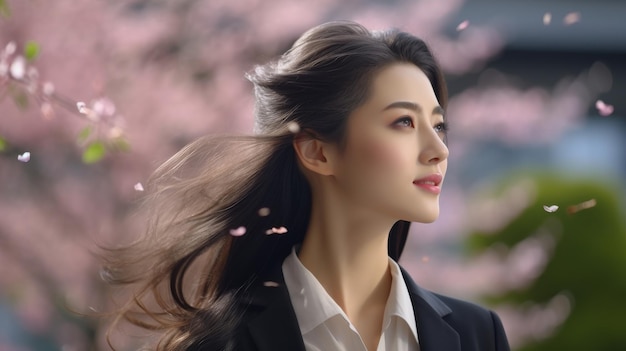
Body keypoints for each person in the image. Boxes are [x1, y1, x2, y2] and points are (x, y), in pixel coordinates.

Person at [102, 21, 510, 351]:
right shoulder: (219, 342)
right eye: (403, 122)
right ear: (317, 152)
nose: (438, 149)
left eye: (439, 126)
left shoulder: (478, 335)